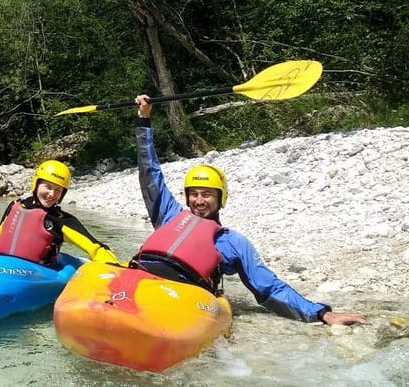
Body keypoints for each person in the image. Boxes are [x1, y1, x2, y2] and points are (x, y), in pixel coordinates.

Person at [131, 95, 365, 326]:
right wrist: (144, 120)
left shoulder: (233, 242)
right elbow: (149, 172)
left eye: (207, 194)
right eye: (194, 194)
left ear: (221, 198)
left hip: (184, 297)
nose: (199, 201)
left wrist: (322, 314)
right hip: (142, 278)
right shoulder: (169, 215)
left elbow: (268, 286)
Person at [0, 160, 117, 265]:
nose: (52, 194)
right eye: (47, 187)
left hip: (41, 272)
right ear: (36, 184)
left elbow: (94, 247)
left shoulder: (61, 220)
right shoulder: (15, 205)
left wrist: (114, 267)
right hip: (2, 264)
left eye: (58, 190)